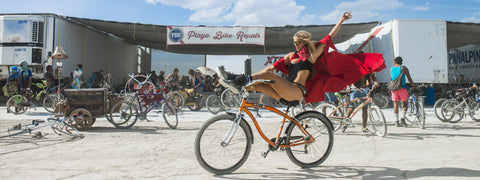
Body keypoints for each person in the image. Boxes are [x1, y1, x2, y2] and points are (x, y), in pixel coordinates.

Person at [217, 11, 386, 104]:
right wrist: (253, 79)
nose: (296, 45)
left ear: (304, 43)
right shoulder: (291, 56)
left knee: (268, 78)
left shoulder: (311, 56)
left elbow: (329, 38)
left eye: (298, 42)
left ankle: (237, 78)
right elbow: (270, 68)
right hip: (283, 94)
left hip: (297, 92)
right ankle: (238, 85)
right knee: (260, 84)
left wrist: (341, 20)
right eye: (294, 42)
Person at [390, 56, 416, 127]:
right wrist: (414, 86)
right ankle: (402, 119)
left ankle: (396, 121)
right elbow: (409, 79)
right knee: (405, 104)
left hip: (394, 89)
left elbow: (392, 79)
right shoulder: (403, 68)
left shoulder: (391, 69)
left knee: (396, 105)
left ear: (394, 62)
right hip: (402, 88)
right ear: (401, 62)